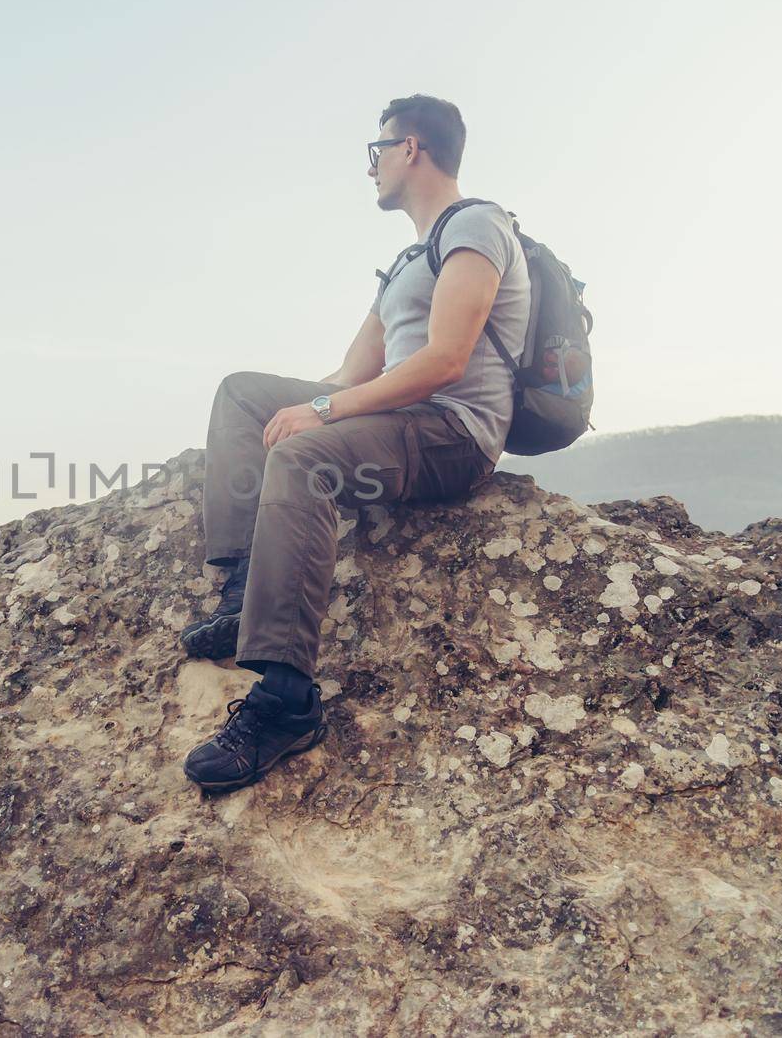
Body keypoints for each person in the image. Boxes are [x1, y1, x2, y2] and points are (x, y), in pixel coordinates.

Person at [180, 94, 530, 792]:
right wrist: (310, 403)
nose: (369, 167)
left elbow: (445, 362)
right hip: (399, 422)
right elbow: (350, 374)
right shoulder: (406, 260)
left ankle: (286, 702)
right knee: (243, 393)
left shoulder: (478, 226)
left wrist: (323, 412)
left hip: (451, 433)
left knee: (302, 456)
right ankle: (247, 589)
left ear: (411, 150)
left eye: (377, 150)